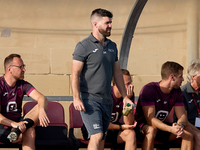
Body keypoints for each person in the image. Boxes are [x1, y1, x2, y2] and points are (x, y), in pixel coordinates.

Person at [71, 8, 133, 150]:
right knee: (97, 135)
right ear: (95, 24)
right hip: (90, 99)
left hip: (107, 100)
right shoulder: (83, 46)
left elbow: (117, 73)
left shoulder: (112, 46)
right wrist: (76, 98)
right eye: (107, 23)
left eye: (111, 22)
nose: (110, 25)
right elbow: (74, 74)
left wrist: (125, 97)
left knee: (102, 139)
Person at [135, 61, 193, 150]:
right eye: (180, 76)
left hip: (163, 127)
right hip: (142, 127)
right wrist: (170, 129)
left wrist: (179, 126)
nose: (183, 79)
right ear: (172, 77)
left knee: (188, 135)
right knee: (151, 130)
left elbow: (182, 115)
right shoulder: (149, 89)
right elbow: (150, 120)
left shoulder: (177, 91)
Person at [0, 54, 49, 150]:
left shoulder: (23, 84)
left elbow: (42, 98)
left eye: (24, 66)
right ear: (9, 69)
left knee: (41, 105)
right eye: (20, 67)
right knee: (30, 130)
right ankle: (17, 130)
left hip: (19, 125)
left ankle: (17, 131)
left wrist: (42, 110)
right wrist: (13, 124)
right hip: (3, 127)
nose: (24, 70)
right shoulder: (1, 85)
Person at [81, 69, 137, 150]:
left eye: (131, 83)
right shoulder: (105, 93)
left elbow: (128, 122)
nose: (131, 86)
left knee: (130, 134)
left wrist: (127, 102)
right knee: (102, 133)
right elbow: (101, 124)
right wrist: (121, 127)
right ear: (118, 84)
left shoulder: (129, 94)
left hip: (113, 128)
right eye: (128, 84)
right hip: (94, 128)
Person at [181, 59, 200, 150]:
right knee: (198, 136)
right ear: (193, 77)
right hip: (188, 125)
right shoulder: (182, 92)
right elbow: (183, 119)